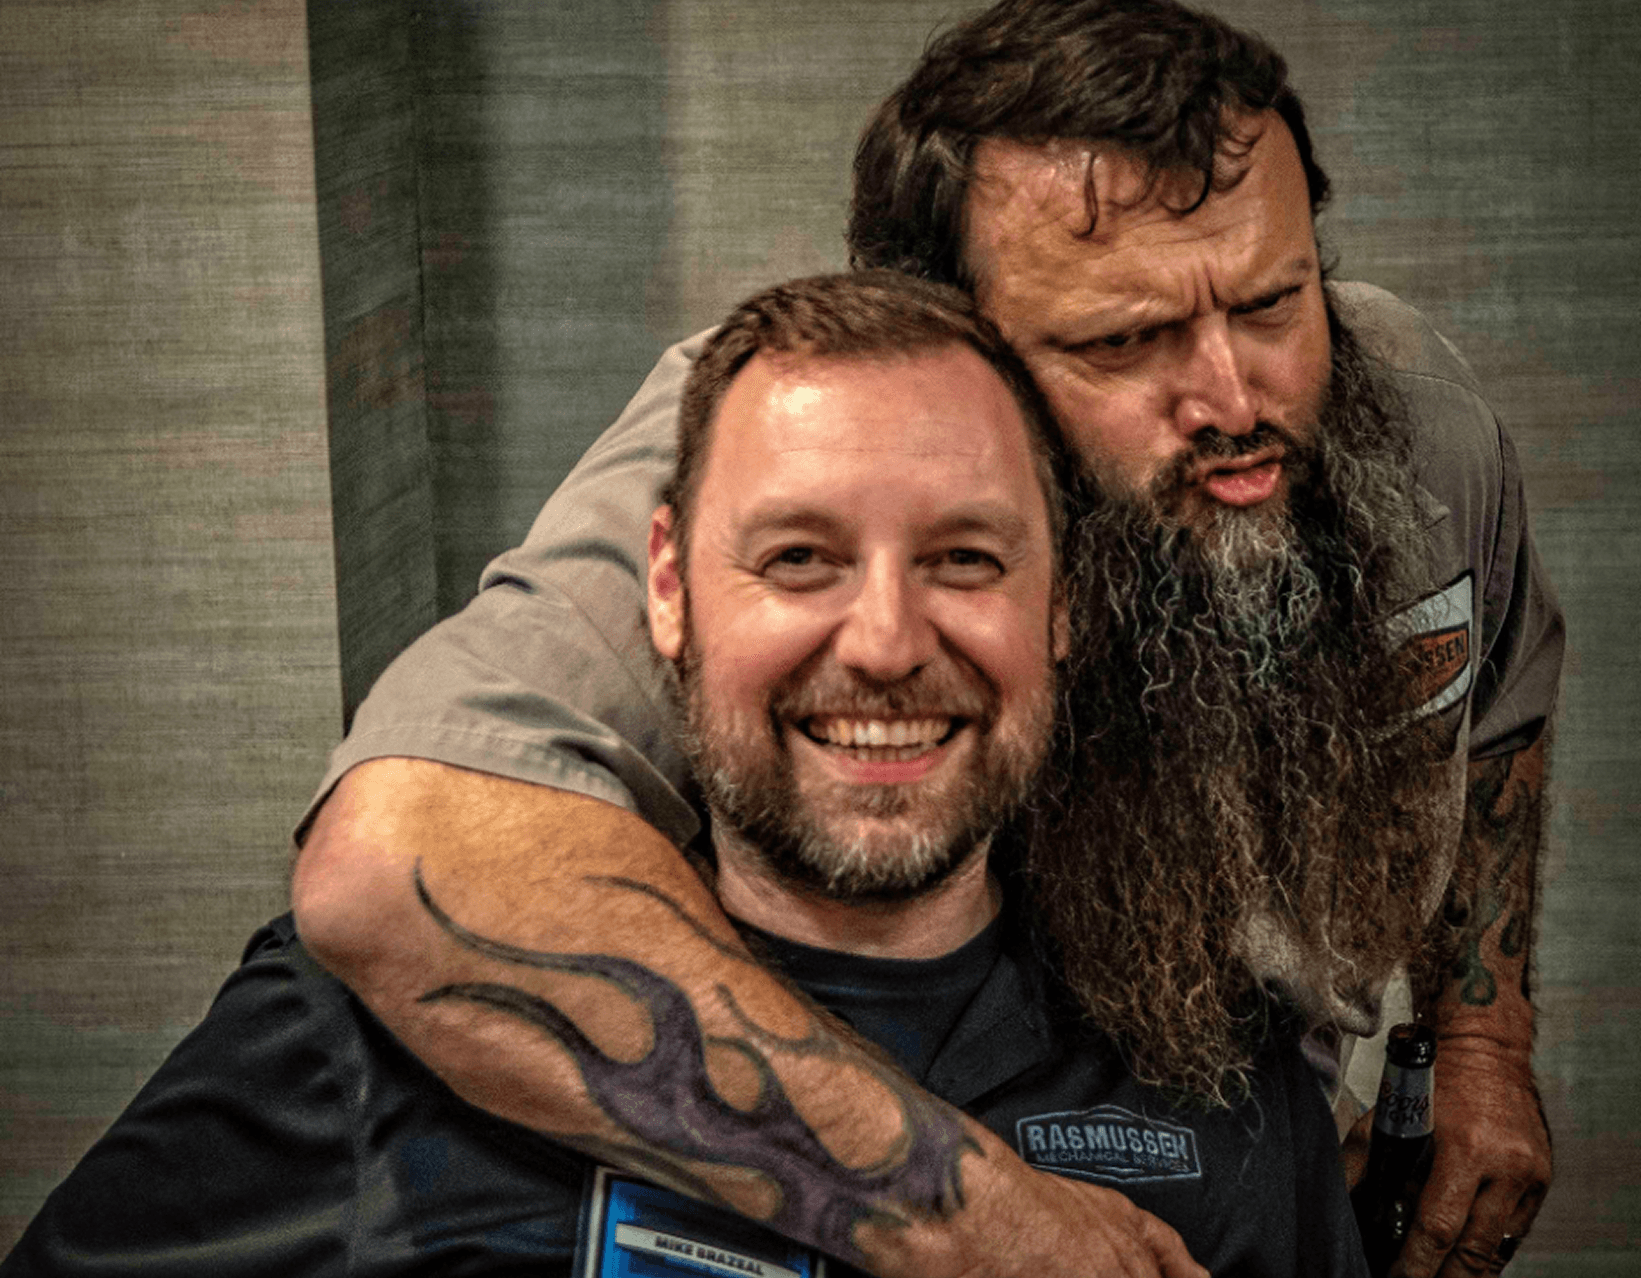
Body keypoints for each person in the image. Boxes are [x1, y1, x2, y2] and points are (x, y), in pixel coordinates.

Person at [293, 2, 1564, 1274]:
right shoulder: (784, 441)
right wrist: (980, 1225)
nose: (1235, 400)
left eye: (1275, 300)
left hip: (1275, 1141)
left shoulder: (1413, 416)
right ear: (942, 341)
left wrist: (1482, 1039)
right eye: (1123, 340)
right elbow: (397, 857)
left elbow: (1488, 688)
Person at [2, 274, 1364, 1277]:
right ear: (666, 588)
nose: (886, 643)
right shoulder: (367, 1031)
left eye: (965, 559)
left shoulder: (1221, 1073)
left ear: (1061, 606)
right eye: (798, 560)